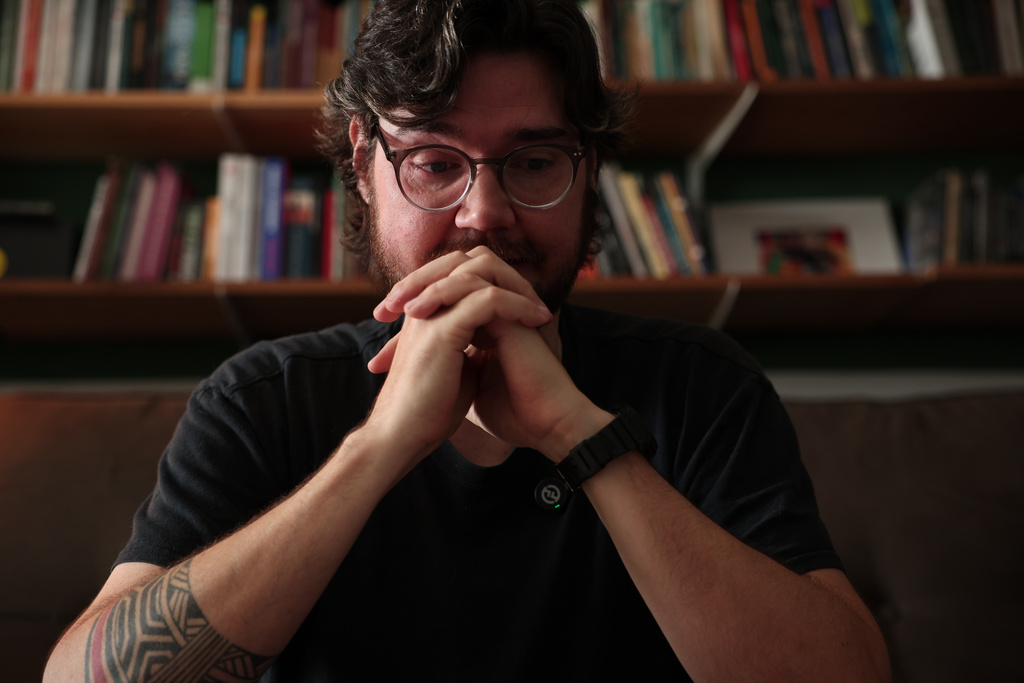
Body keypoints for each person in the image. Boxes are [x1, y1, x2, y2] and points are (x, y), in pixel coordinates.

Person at [45, 0, 890, 681]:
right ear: (365, 165)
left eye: (533, 162)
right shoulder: (262, 399)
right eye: (435, 160)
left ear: (588, 171)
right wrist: (379, 448)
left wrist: (580, 437)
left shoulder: (702, 386)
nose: (484, 214)